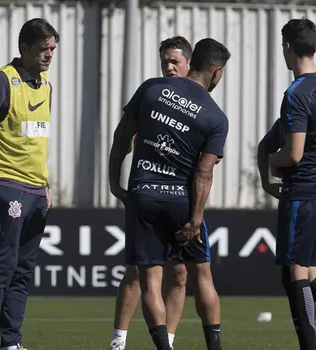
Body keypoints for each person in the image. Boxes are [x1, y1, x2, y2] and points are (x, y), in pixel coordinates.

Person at [108, 38, 230, 350]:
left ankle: (163, 346)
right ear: (216, 71)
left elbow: (122, 134)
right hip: (182, 202)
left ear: (193, 61)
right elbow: (205, 172)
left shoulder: (151, 89)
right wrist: (195, 219)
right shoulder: (216, 117)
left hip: (144, 194)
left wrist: (114, 182)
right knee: (202, 276)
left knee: (151, 280)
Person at [0, 18, 59, 350]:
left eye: (52, 49)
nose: (49, 55)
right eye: (42, 49)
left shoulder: (46, 84)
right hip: (8, 186)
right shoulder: (3, 82)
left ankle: (12, 342)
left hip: (36, 190)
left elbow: (37, 139)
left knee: (23, 271)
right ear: (24, 48)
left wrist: (45, 185)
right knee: (3, 265)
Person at [110, 35, 192, 350]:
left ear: (188, 63)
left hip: (182, 197)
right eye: (165, 62)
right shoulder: (151, 93)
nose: (169, 68)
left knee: (180, 273)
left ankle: (166, 342)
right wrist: (115, 180)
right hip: (147, 193)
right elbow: (123, 137)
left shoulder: (199, 102)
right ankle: (118, 341)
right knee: (137, 271)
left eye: (175, 62)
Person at [263, 18, 316, 350]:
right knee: (310, 270)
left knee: (295, 272)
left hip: (303, 193)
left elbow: (293, 154)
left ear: (287, 48)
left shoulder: (297, 93)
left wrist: (270, 163)